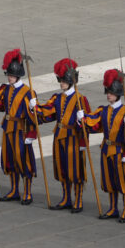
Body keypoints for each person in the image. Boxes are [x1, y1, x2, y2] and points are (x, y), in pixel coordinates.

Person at [82, 69, 125, 222]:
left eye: (111, 92)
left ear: (118, 93)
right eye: (108, 91)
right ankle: (113, 208)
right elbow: (93, 124)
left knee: (124, 182)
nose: (108, 95)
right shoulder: (104, 110)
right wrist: (83, 118)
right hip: (106, 149)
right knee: (110, 181)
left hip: (120, 150)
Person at [35, 58, 91, 213]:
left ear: (70, 81)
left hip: (73, 138)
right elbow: (48, 112)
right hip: (59, 136)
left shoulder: (80, 100)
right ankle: (66, 198)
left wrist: (83, 125)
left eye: (63, 80)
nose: (61, 83)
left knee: (76, 171)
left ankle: (78, 199)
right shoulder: (57, 98)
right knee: (62, 168)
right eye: (60, 80)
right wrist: (36, 108)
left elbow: (89, 123)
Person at [0, 49, 39, 203]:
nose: (9, 78)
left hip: (21, 130)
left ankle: (27, 192)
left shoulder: (28, 92)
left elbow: (33, 116)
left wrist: (31, 134)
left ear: (17, 75)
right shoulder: (6, 89)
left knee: (23, 160)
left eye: (11, 75)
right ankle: (14, 190)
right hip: (7, 128)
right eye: (8, 75)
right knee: (10, 159)